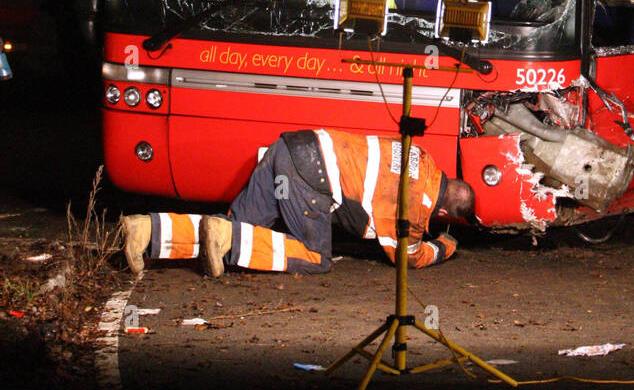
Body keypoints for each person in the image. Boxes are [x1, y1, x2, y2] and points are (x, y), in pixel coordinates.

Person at [121, 127, 475, 278]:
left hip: (290, 148)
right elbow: (404, 256)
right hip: (311, 178)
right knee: (316, 258)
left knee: (234, 228)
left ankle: (145, 230)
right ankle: (227, 239)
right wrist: (443, 246)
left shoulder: (422, 157)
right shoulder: (416, 206)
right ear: (443, 213)